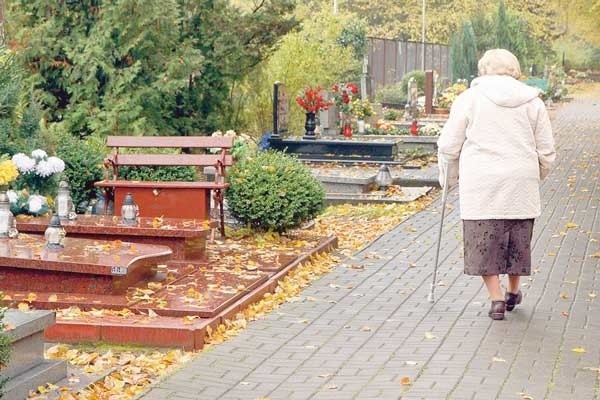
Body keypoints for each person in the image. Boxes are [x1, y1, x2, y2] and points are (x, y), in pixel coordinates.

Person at [437, 49, 556, 320]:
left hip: (481, 182)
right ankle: (514, 291)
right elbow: (547, 150)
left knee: (483, 241)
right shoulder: (533, 102)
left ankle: (496, 299)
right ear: (514, 69)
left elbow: (448, 146)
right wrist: (535, 174)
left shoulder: (469, 99)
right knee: (517, 240)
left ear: (483, 69)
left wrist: (448, 178)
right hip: (520, 181)